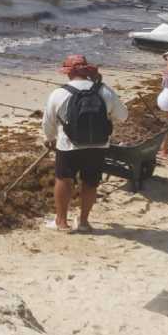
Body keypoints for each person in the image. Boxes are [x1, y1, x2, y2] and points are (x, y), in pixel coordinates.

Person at [42, 55, 128, 232]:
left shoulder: (59, 93)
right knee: (90, 182)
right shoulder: (104, 91)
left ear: (68, 73)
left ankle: (61, 222)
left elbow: (48, 122)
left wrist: (49, 138)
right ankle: (83, 222)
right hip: (98, 145)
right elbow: (123, 116)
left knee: (64, 180)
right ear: (87, 71)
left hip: (68, 145)